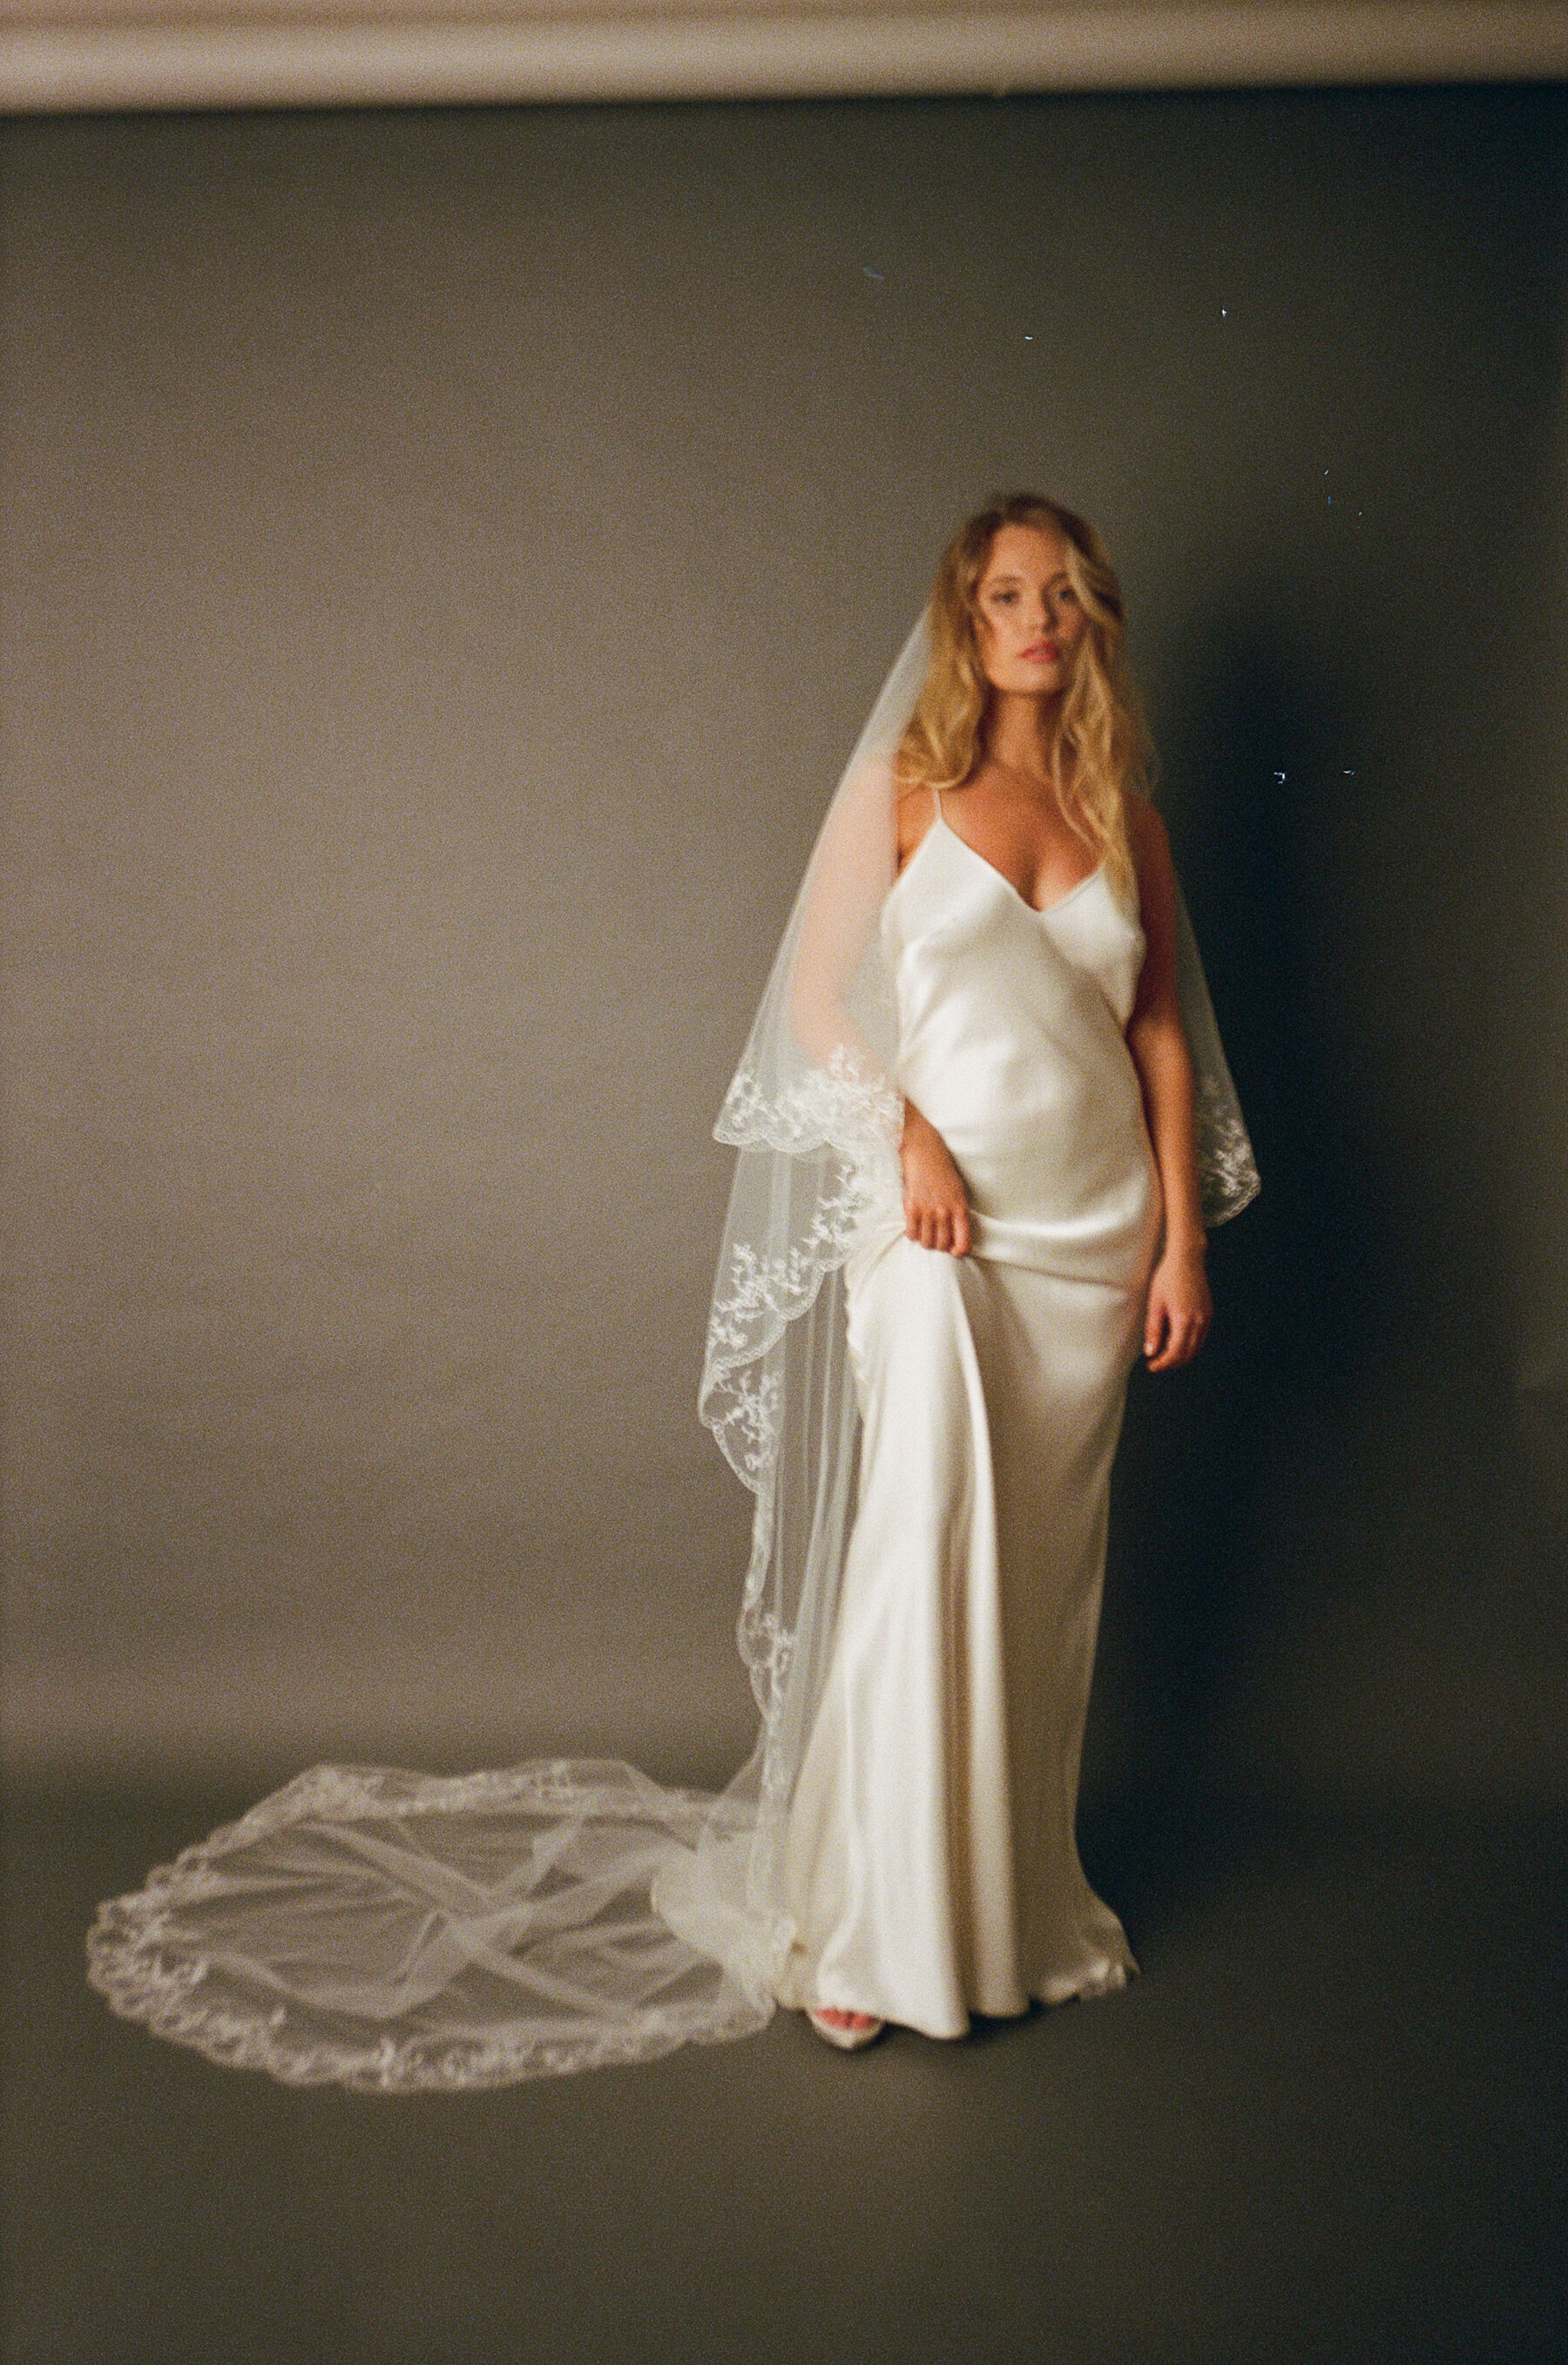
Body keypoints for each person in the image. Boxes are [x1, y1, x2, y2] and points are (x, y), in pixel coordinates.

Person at [85, 494, 1255, 2091]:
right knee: (919, 1549)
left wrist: (1183, 1239)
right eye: (1002, 594)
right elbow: (818, 1002)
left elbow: (1161, 1035)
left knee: (1032, 1589)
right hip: (939, 1237)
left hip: (1090, 1238)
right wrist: (908, 1128)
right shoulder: (903, 787)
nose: (1034, 617)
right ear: (964, 619)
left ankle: (1000, 1919)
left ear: (1090, 614)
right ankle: (866, 1937)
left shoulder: (1123, 800)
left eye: (1058, 592)